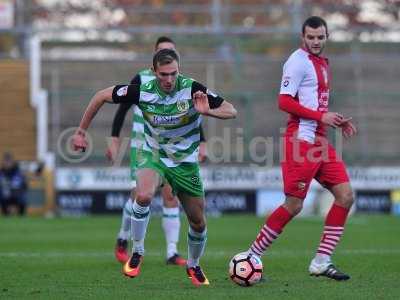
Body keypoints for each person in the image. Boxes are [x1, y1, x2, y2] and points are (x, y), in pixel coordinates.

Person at [72, 48, 237, 286]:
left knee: (198, 222)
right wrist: (81, 132)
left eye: (173, 74)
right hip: (152, 153)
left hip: (184, 162)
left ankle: (194, 264)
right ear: (154, 72)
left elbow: (231, 110)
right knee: (143, 194)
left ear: (179, 70)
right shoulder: (142, 91)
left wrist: (208, 111)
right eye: (163, 75)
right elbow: (100, 96)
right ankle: (137, 251)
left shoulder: (192, 88)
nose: (169, 80)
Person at [247, 16, 357, 281]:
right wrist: (321, 117)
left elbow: (314, 103)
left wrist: (333, 120)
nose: (316, 42)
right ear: (302, 37)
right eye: (311, 37)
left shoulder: (320, 63)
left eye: (320, 37)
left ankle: (321, 261)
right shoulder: (297, 62)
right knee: (294, 205)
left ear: (326, 36)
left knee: (345, 196)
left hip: (320, 140)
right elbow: (283, 101)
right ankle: (251, 256)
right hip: (302, 141)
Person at [109, 37, 207, 266]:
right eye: (162, 52)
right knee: (139, 195)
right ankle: (123, 238)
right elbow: (121, 108)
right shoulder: (141, 79)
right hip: (144, 145)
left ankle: (172, 252)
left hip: (173, 148)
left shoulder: (180, 84)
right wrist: (114, 138)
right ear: (154, 61)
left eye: (171, 52)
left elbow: (189, 115)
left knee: (171, 196)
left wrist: (202, 141)